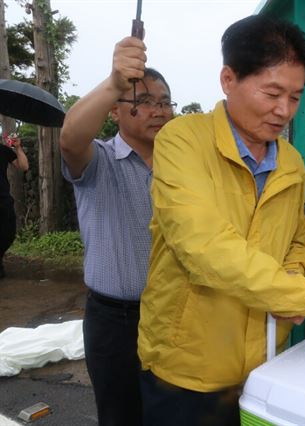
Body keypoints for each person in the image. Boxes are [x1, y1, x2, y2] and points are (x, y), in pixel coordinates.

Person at [136, 15, 305, 426]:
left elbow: (296, 238)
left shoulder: (290, 160)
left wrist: (291, 278)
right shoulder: (183, 140)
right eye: (272, 92)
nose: (283, 110)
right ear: (228, 79)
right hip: (188, 367)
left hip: (266, 360)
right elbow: (205, 247)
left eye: (295, 96)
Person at [59, 36, 174, 426]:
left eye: (163, 102)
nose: (157, 110)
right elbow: (70, 139)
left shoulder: (182, 169)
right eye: (142, 102)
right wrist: (114, 82)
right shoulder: (99, 161)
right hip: (115, 322)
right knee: (120, 415)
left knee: (171, 412)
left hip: (175, 315)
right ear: (115, 112)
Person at [0, 134, 28, 278]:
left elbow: (24, 166)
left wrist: (18, 147)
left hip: (3, 199)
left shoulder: (3, 151)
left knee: (8, 233)